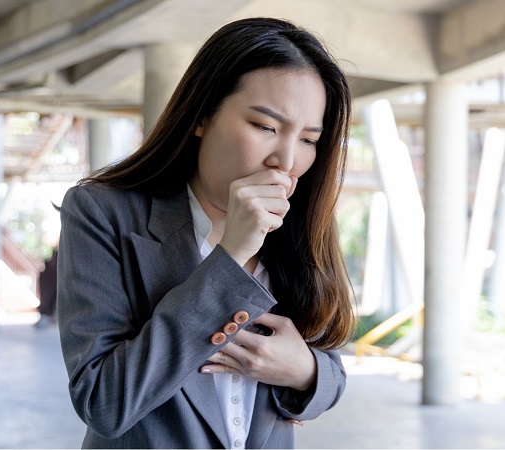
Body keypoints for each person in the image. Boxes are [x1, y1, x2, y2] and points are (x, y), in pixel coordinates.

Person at [57, 17, 355, 449]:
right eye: (265, 126)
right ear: (202, 116)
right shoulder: (103, 212)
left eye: (308, 138)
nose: (286, 160)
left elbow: (331, 368)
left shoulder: (297, 226)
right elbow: (104, 401)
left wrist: (305, 371)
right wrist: (231, 255)